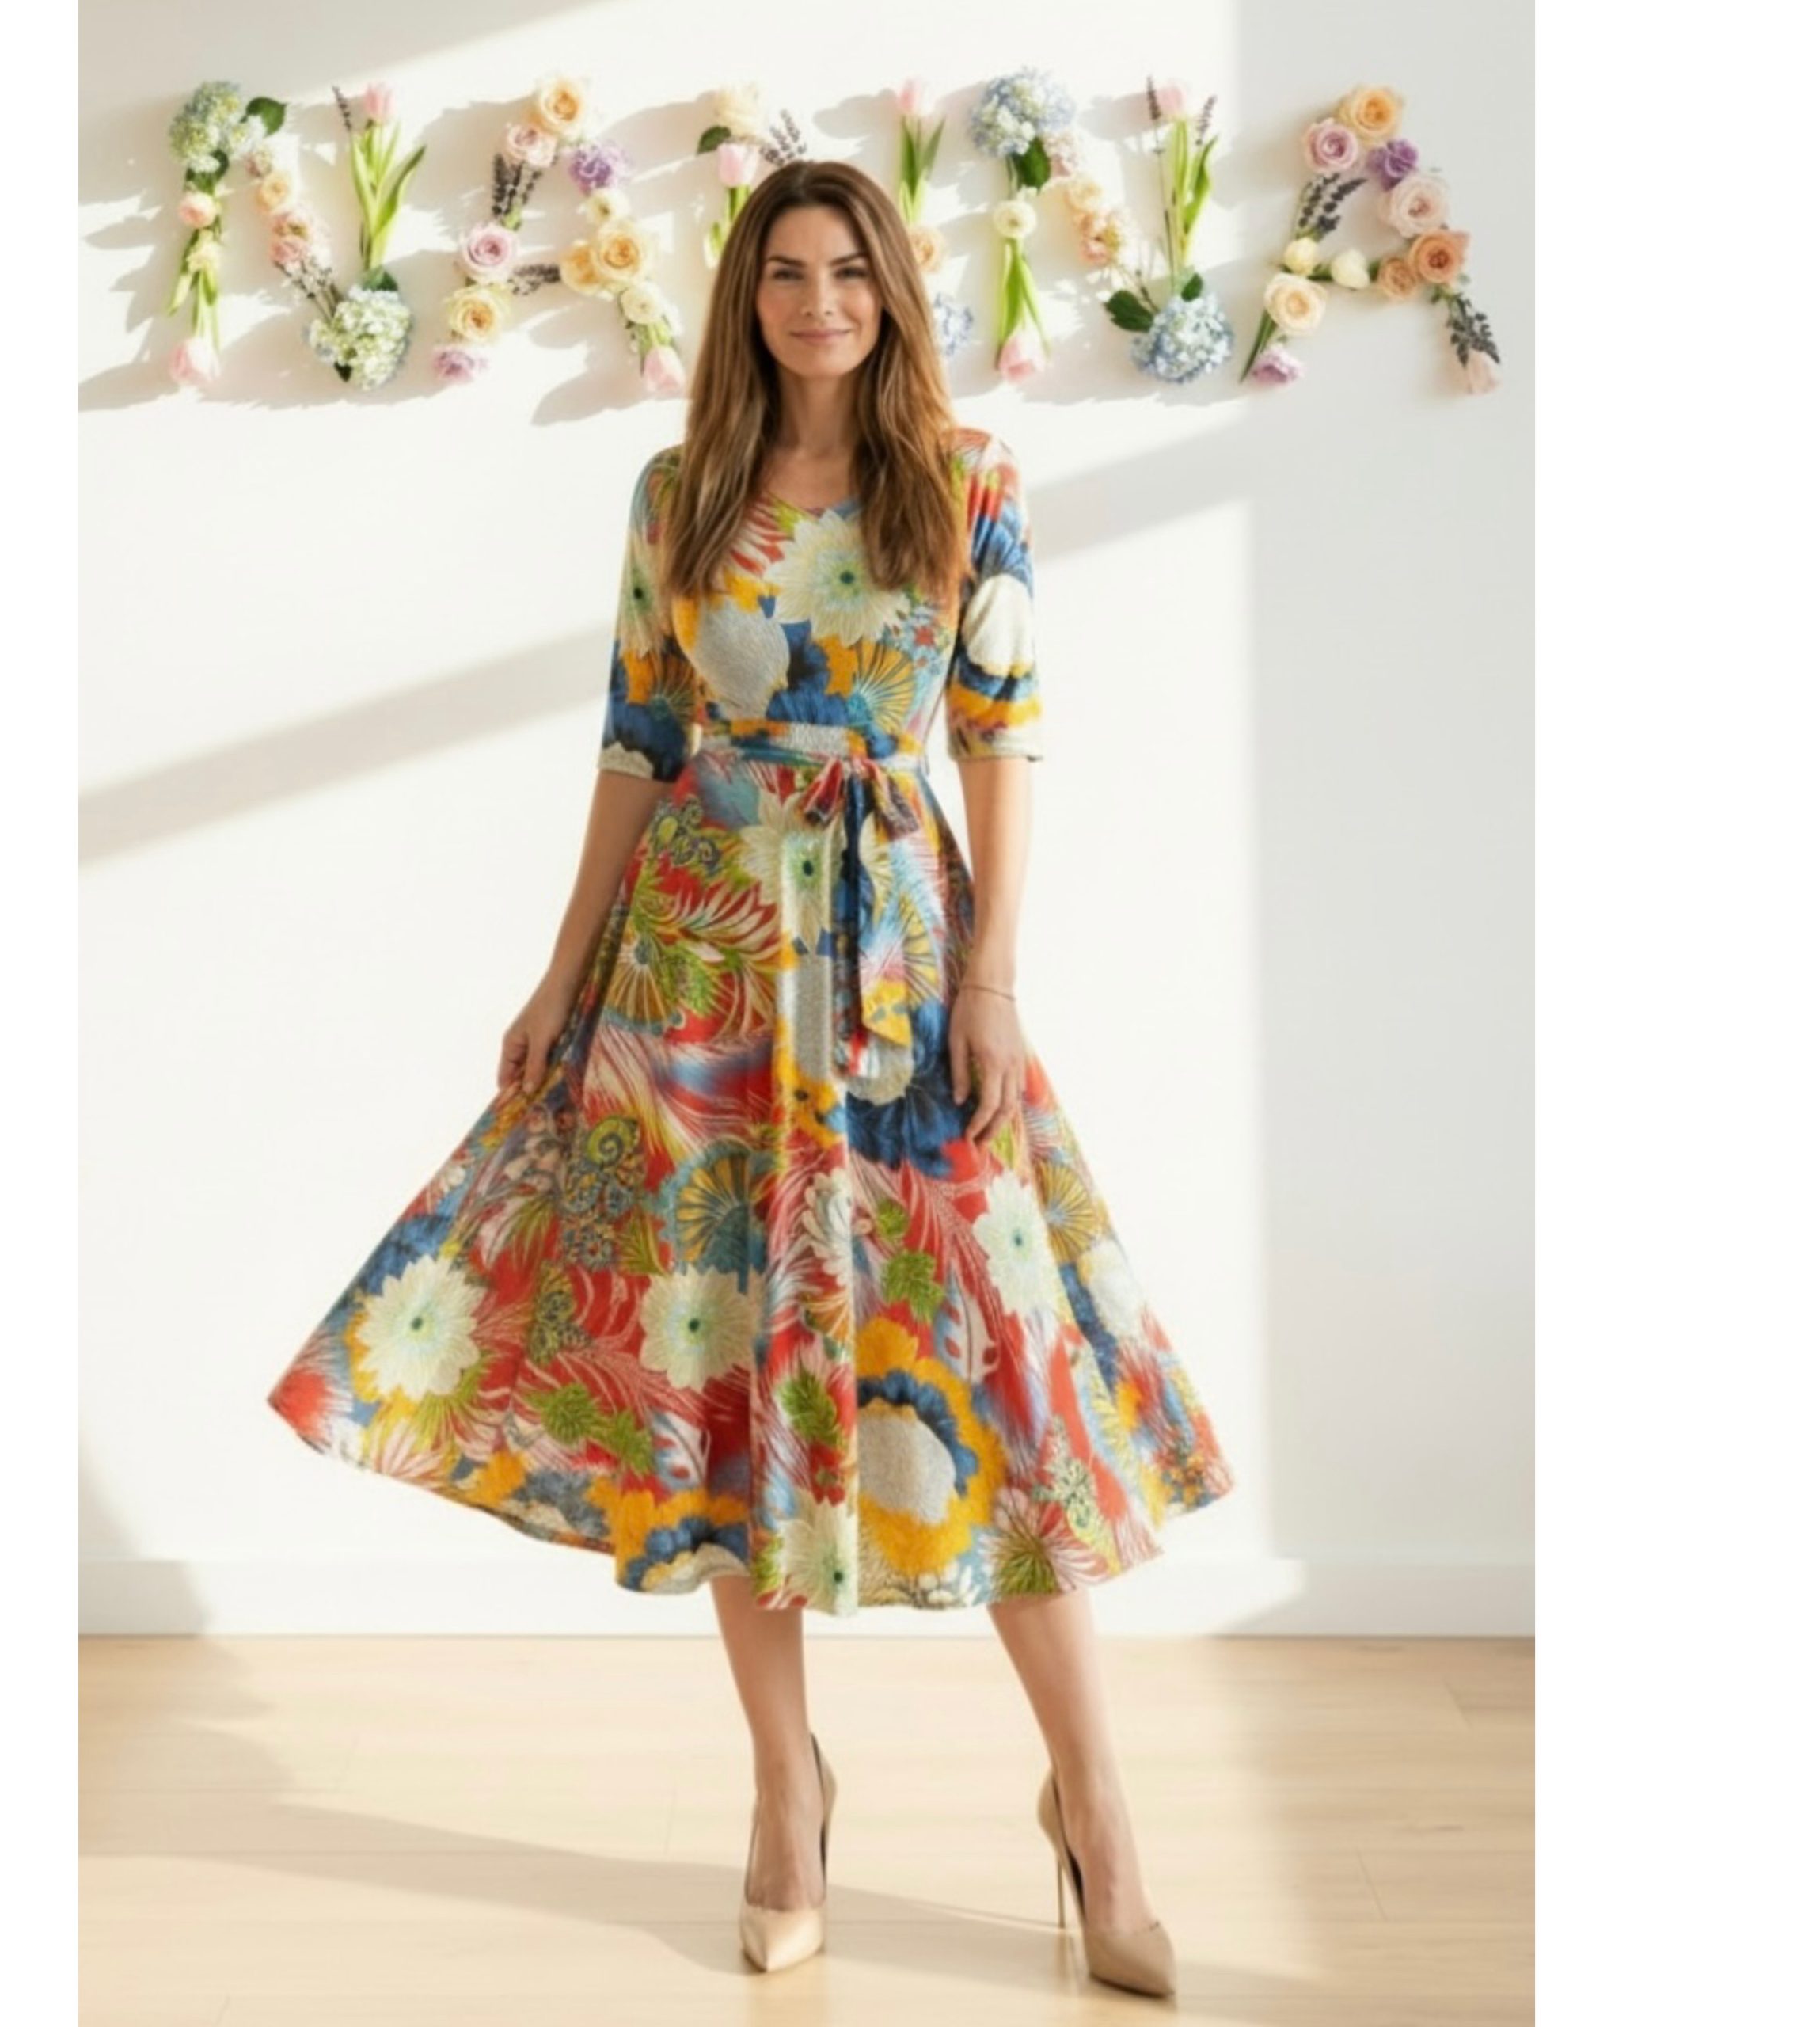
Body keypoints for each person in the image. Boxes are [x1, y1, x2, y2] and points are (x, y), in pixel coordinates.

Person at [266, 158, 1234, 1996]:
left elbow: (1000, 732)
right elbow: (637, 742)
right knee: (719, 1367)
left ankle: (1097, 1814)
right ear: (744, 298)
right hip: (698, 959)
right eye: (784, 272)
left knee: (993, 1371)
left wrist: (993, 978)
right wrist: (562, 972)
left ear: (891, 290)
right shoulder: (679, 489)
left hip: (898, 962)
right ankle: (786, 1795)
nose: (817, 302)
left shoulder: (966, 480)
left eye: (847, 270)